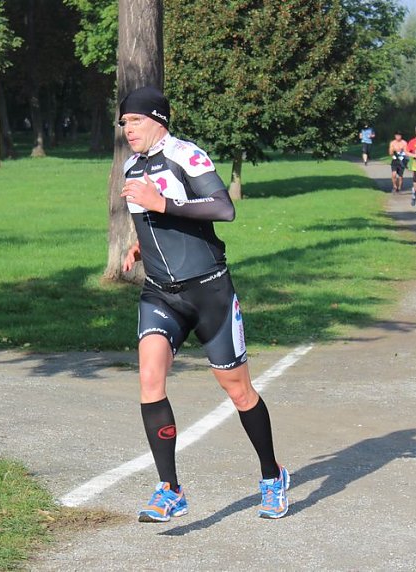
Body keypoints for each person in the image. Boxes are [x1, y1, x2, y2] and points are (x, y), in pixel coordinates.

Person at [118, 86, 289, 522]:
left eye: (134, 120)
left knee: (237, 390)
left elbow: (222, 208)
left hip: (208, 290)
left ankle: (272, 475)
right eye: (123, 122)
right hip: (161, 293)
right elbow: (155, 223)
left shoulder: (186, 155)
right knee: (150, 378)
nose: (127, 129)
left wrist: (163, 203)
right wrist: (140, 247)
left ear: (157, 119)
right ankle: (170, 489)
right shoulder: (132, 166)